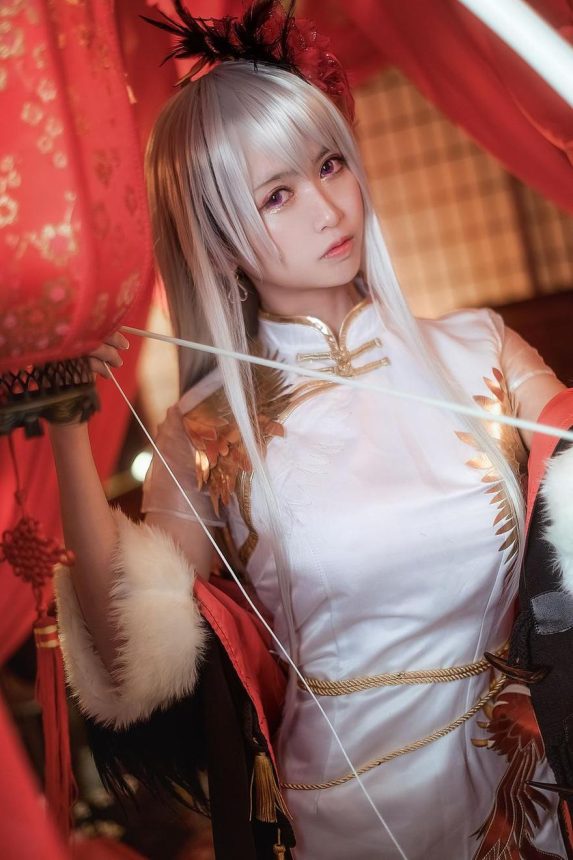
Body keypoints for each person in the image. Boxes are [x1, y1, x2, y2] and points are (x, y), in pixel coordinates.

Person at [48, 2, 573, 858]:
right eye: (277, 195)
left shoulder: (483, 348)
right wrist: (70, 420)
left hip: (531, 782)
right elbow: (127, 659)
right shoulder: (205, 430)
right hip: (350, 814)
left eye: (330, 164)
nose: (329, 208)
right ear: (218, 241)